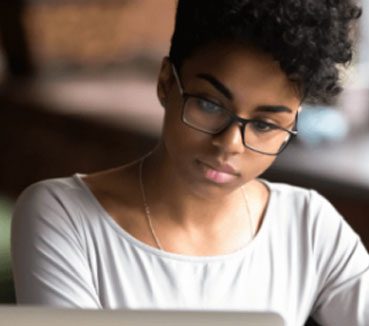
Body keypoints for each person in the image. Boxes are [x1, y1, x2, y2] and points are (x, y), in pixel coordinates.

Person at [11, 1, 368, 325]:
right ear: (166, 83)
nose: (229, 144)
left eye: (264, 125)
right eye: (210, 105)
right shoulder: (63, 218)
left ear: (292, 125)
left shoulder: (309, 227)